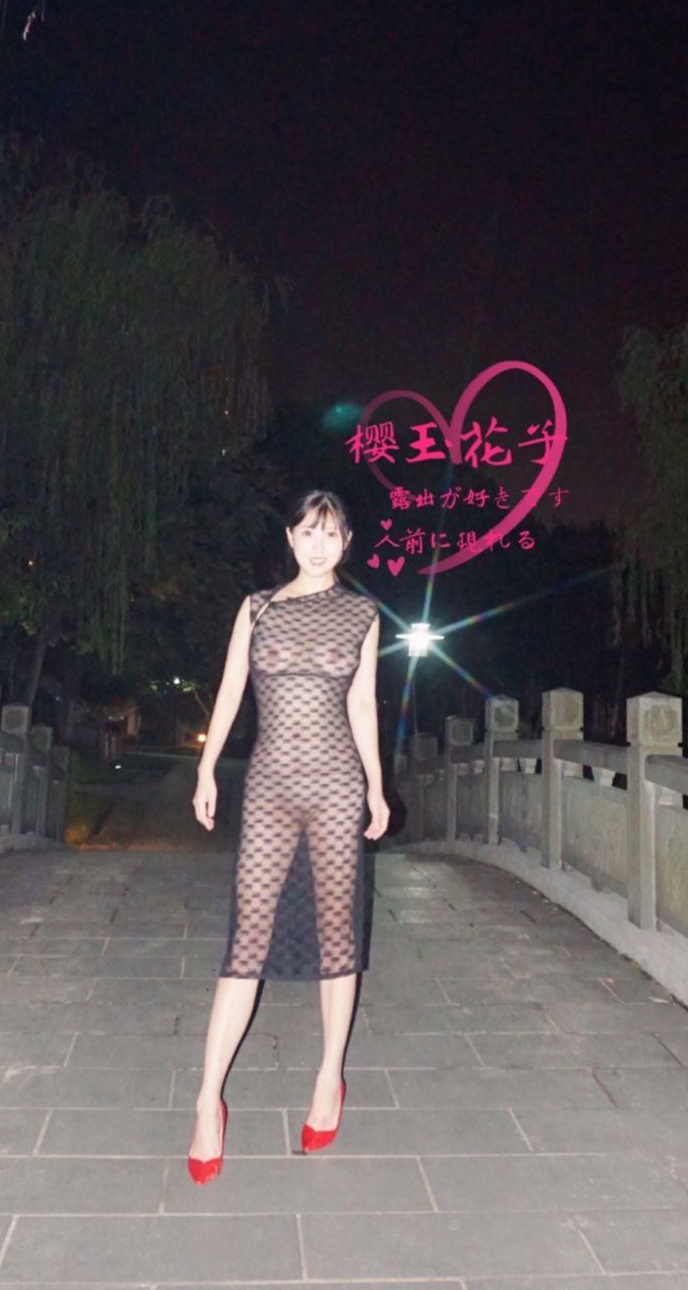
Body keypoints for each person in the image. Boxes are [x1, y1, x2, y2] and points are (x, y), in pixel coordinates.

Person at [187, 489, 388, 1182]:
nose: (319, 545)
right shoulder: (258, 609)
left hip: (336, 785)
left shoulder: (362, 614)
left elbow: (361, 705)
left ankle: (329, 1077)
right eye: (308, 532)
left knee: (337, 932)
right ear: (290, 538)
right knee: (246, 938)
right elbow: (230, 689)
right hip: (270, 783)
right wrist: (207, 767)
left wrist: (377, 786)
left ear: (347, 543)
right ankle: (207, 1102)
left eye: (331, 534)